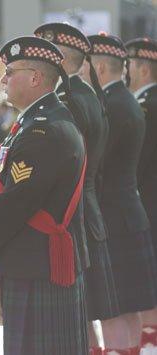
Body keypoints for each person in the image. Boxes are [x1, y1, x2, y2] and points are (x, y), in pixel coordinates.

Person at [0, 36, 89, 354]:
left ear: (34, 78)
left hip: (38, 265)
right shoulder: (35, 122)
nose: (3, 79)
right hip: (31, 260)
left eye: (10, 71)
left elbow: (16, 202)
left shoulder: (43, 129)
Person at [34, 23, 120, 355]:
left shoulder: (67, 99)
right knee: (81, 321)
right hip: (84, 211)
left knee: (71, 324)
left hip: (69, 216)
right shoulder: (86, 94)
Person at [82, 32, 157, 354]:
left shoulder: (113, 105)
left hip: (114, 214)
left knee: (114, 310)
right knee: (127, 309)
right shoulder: (124, 101)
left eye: (85, 66)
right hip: (129, 210)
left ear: (98, 67)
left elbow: (96, 166)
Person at [126, 37, 157, 350]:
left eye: (131, 66)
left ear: (144, 71)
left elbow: (134, 165)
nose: (128, 72)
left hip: (149, 205)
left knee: (149, 287)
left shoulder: (145, 108)